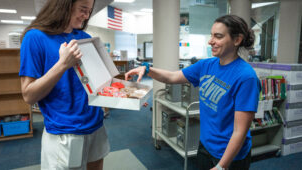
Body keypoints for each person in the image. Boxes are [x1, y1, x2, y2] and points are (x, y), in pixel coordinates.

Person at [125, 15, 260, 170]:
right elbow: (172, 76)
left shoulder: (246, 77)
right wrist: (147, 68)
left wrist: (222, 166)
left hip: (230, 155)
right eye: (211, 35)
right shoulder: (206, 65)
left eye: (218, 36)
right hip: (205, 145)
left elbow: (240, 131)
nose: (211, 41)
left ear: (237, 40)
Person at [19, 0, 110, 169]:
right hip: (65, 131)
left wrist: (128, 94)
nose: (86, 16)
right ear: (64, 5)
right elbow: (29, 95)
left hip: (96, 124)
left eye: (89, 11)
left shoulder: (85, 38)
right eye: (83, 9)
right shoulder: (35, 38)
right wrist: (62, 64)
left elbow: (95, 84)